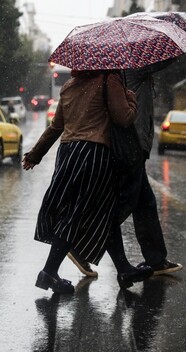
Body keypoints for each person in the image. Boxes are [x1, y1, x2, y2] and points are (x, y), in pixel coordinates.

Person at [22, 69, 153, 293]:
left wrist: (35, 154)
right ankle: (49, 272)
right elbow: (123, 118)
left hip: (68, 152)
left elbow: (56, 127)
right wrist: (131, 99)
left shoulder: (69, 86)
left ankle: (123, 268)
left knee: (102, 211)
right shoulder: (108, 79)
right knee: (79, 212)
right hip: (94, 152)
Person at [67, 65, 183, 277]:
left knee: (144, 202)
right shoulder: (132, 68)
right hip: (131, 145)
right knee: (125, 201)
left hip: (136, 143)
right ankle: (80, 243)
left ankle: (155, 259)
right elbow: (168, 59)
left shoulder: (130, 70)